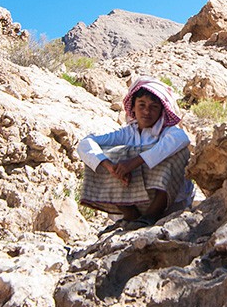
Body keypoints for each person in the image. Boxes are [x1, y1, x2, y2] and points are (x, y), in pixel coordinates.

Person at [77, 76, 192, 224]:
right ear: (133, 107)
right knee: (101, 156)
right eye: (141, 105)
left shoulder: (168, 132)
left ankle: (152, 215)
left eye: (154, 107)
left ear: (161, 111)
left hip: (170, 204)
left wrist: (134, 162)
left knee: (178, 153)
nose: (146, 112)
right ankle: (131, 215)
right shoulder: (127, 133)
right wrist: (110, 166)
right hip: (134, 200)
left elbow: (182, 138)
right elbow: (86, 143)